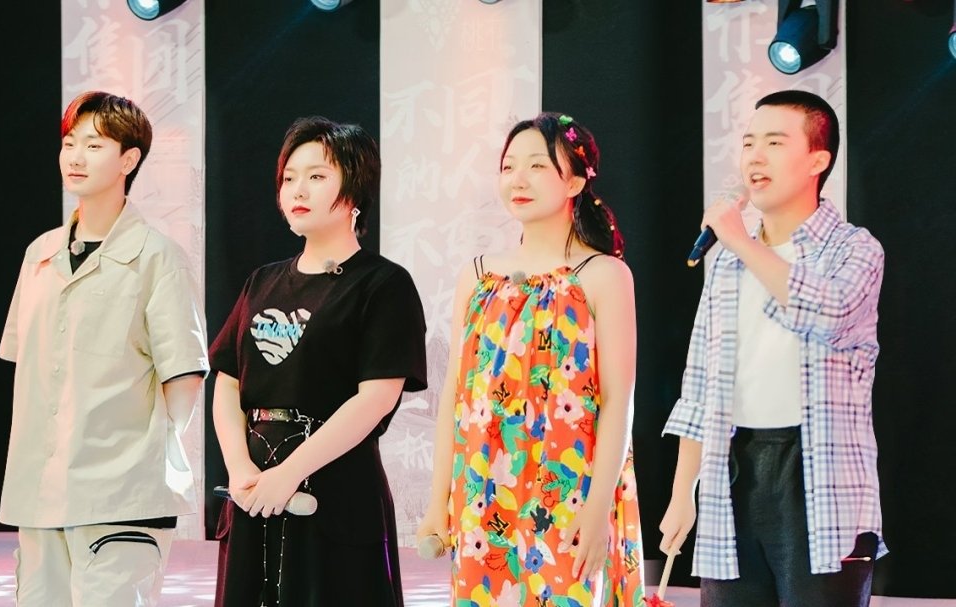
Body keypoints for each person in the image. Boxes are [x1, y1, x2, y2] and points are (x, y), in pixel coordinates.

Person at [659, 89, 887, 606]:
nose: (754, 156)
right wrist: (681, 494)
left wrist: (741, 241)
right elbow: (699, 385)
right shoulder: (725, 262)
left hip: (820, 478)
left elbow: (829, 313)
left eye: (774, 142)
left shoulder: (854, 247)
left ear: (817, 161)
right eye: (748, 143)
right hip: (732, 470)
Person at [418, 112, 646, 606]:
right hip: (483, 489)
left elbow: (618, 401)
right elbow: (455, 397)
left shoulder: (603, 275)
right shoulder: (477, 275)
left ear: (576, 181)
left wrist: (597, 507)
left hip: (569, 488)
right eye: (508, 167)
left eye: (537, 166)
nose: (517, 179)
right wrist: (439, 501)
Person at [0, 90, 210, 606]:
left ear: (128, 160)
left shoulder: (158, 257)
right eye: (70, 143)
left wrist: (138, 453)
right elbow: (30, 366)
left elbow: (184, 375)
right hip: (41, 492)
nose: (75, 156)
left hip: (122, 495)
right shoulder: (39, 254)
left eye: (94, 145)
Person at [208, 115, 428, 606]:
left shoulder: (383, 284)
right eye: (289, 178)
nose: (297, 190)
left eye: (316, 176)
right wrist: (240, 468)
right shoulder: (262, 281)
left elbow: (376, 398)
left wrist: (290, 473)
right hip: (254, 489)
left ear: (354, 191)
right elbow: (227, 381)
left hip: (335, 491)